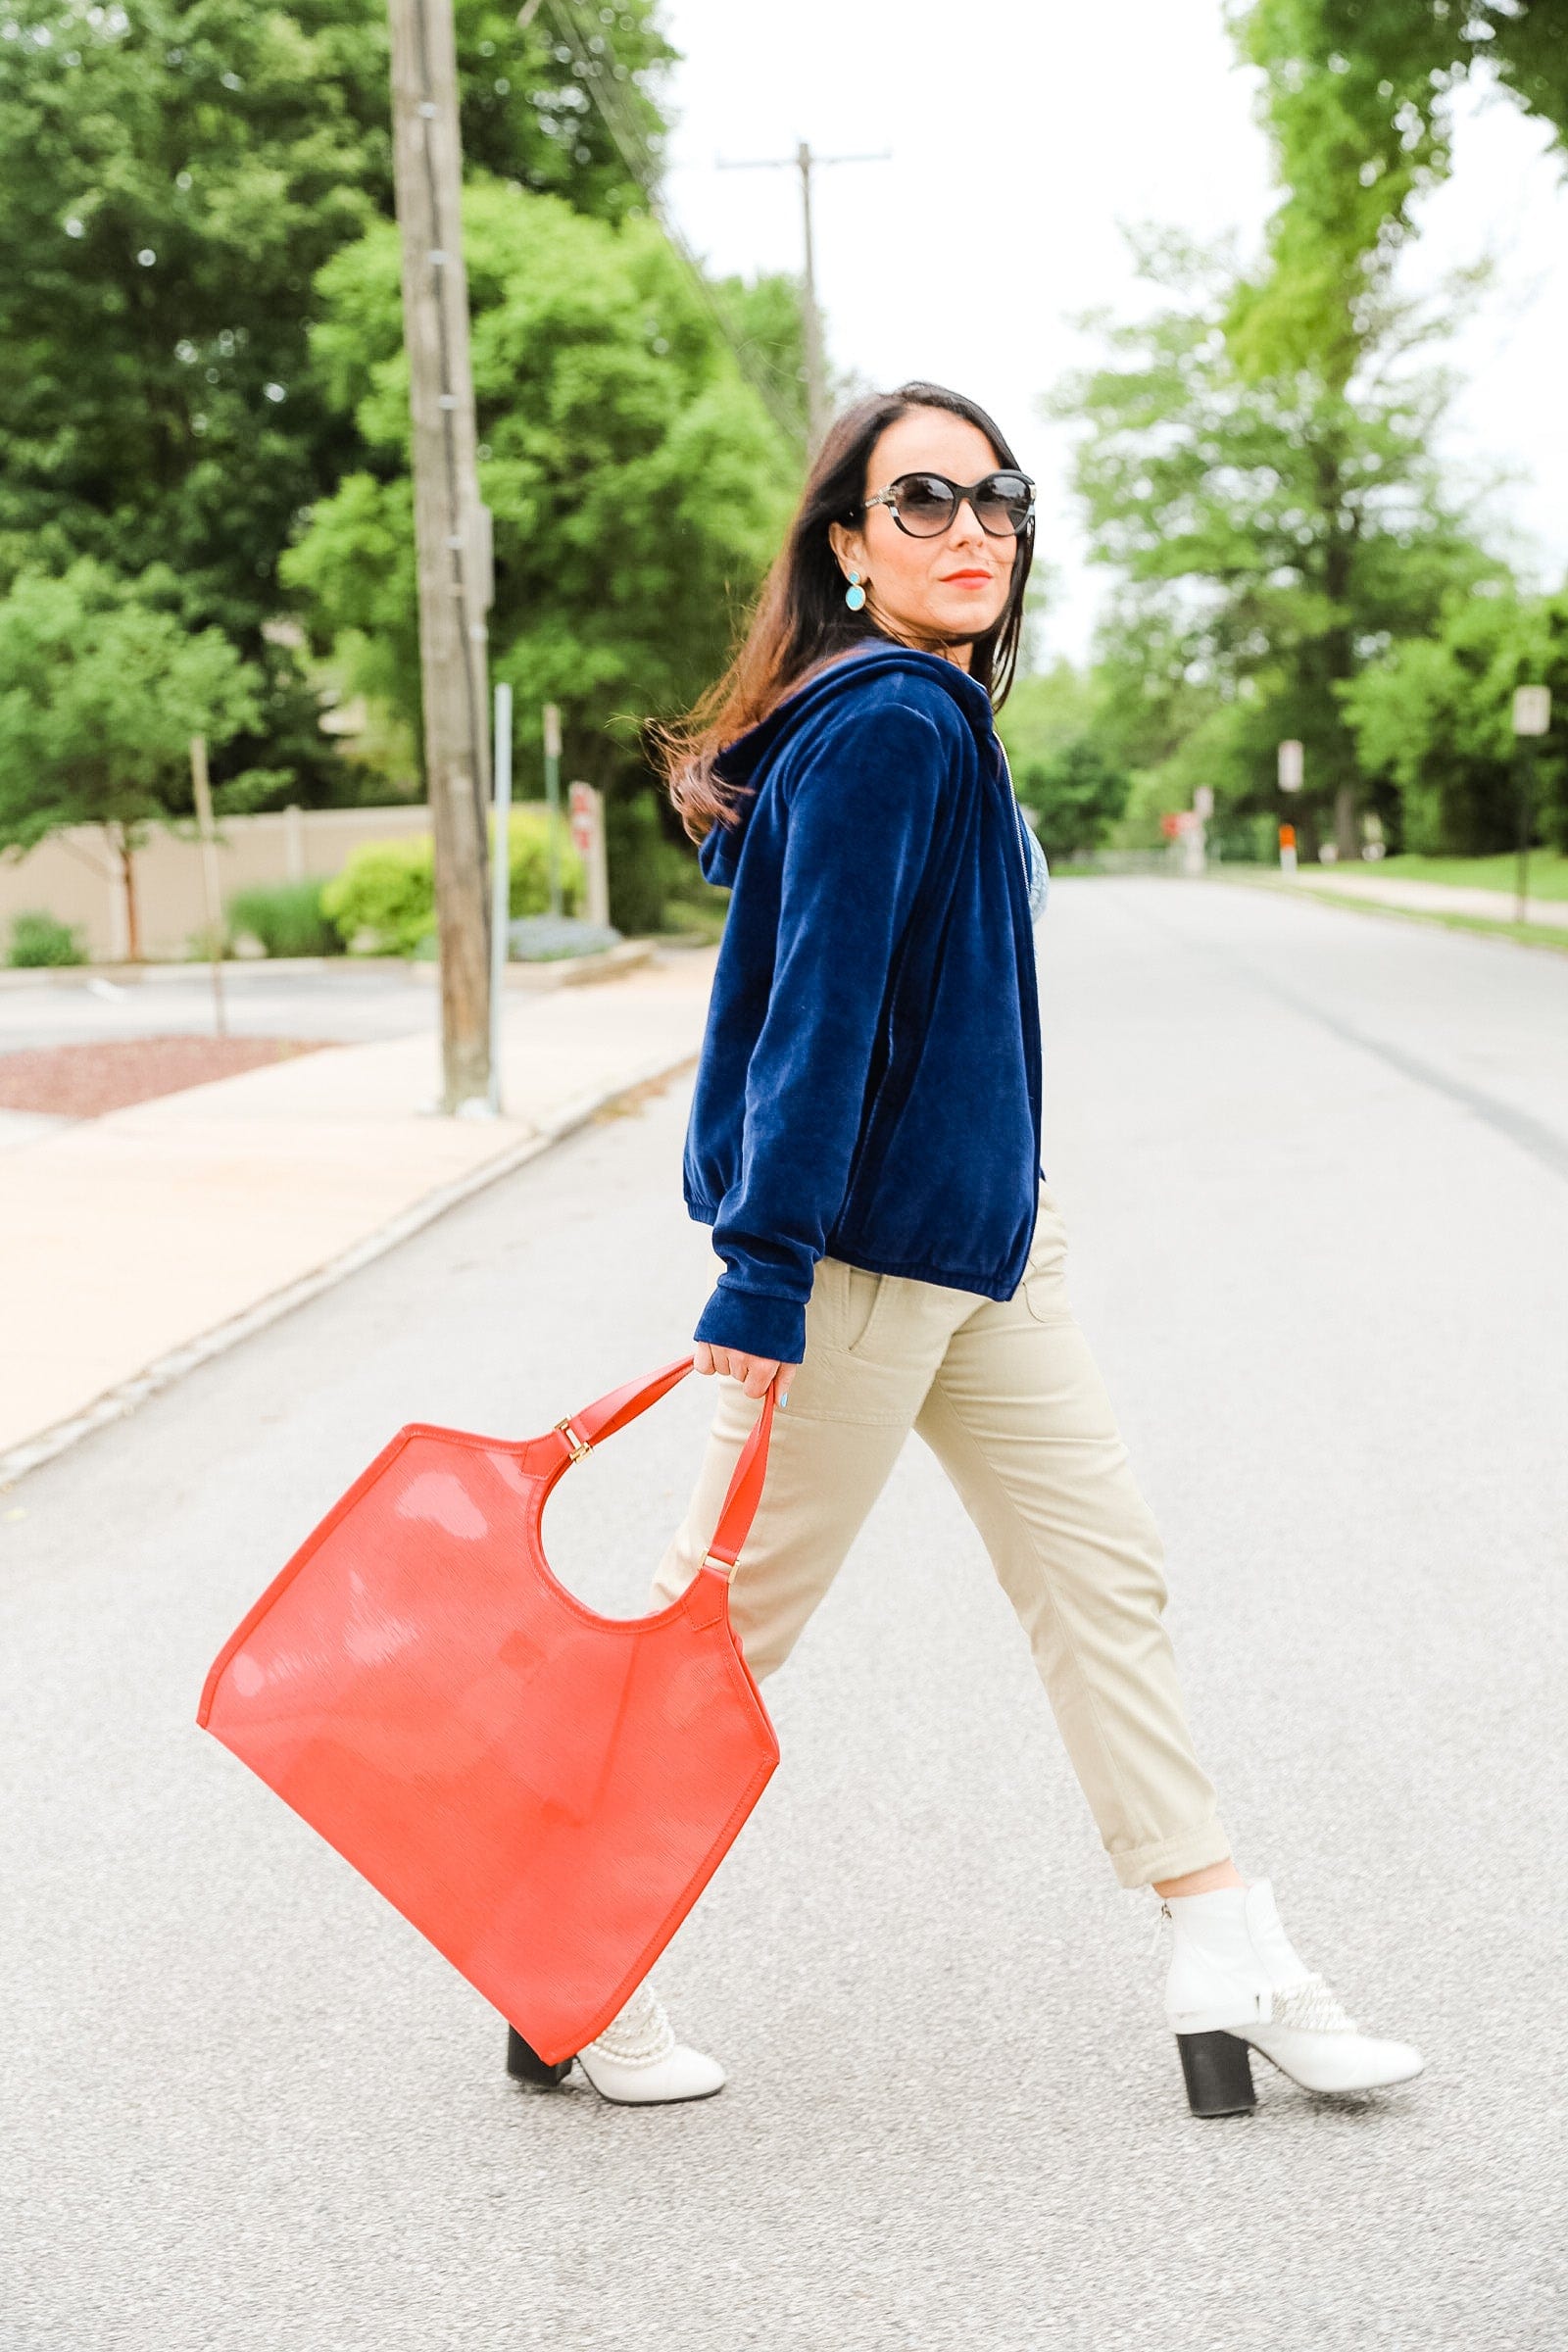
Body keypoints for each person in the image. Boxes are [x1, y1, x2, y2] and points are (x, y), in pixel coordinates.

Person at [507, 382, 1423, 2115]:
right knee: (716, 1638)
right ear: (847, 547)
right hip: (853, 1264)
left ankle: (1224, 1937)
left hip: (989, 1252)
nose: (972, 529)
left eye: (996, 498)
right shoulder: (893, 727)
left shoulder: (921, 722)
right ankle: (572, 1957)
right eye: (920, 503)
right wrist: (765, 1271)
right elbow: (815, 1019)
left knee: (1106, 1579)